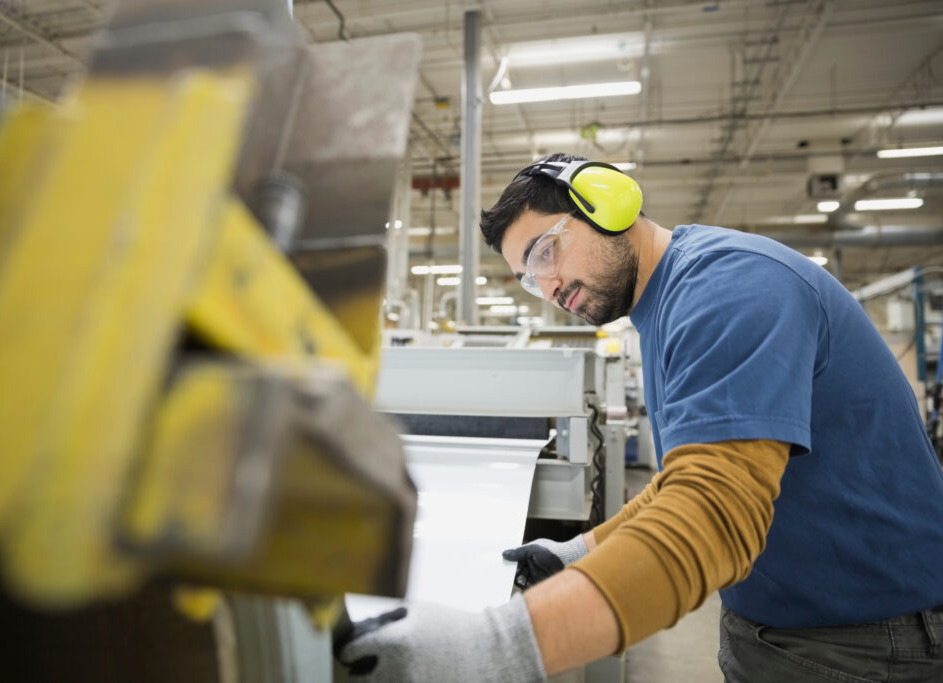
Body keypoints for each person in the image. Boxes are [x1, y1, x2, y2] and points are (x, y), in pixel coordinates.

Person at [335, 152, 943, 682]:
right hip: (793, 625)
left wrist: (493, 649)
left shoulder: (729, 290)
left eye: (546, 251)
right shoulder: (666, 303)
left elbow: (714, 515)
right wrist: (582, 550)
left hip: (864, 644)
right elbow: (687, 478)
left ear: (608, 202)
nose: (548, 287)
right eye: (528, 279)